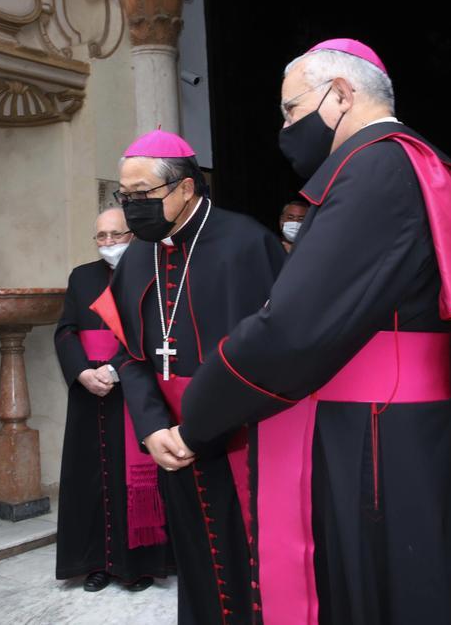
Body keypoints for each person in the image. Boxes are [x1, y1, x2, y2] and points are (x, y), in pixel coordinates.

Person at [175, 38, 451, 624]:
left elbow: (296, 327)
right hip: (404, 428)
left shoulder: (373, 165)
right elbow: (416, 309)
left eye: (291, 109)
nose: (285, 127)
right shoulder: (411, 160)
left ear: (341, 94)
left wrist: (202, 410)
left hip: (373, 438)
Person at [91, 129, 285, 624]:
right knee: (197, 557)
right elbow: (131, 355)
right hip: (170, 439)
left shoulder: (247, 242)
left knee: (254, 558)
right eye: (125, 196)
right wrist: (153, 427)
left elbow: (276, 350)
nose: (132, 207)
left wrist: (199, 427)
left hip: (246, 432)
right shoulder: (138, 254)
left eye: (142, 195)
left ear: (184, 188)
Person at [54, 207, 171, 592]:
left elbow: (155, 331)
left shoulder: (153, 273)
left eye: (116, 235)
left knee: (131, 476)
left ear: (133, 236)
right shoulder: (82, 277)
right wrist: (82, 372)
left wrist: (117, 369)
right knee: (90, 478)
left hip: (134, 387)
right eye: (101, 236)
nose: (108, 244)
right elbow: (66, 331)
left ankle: (136, 565)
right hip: (89, 391)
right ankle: (95, 564)